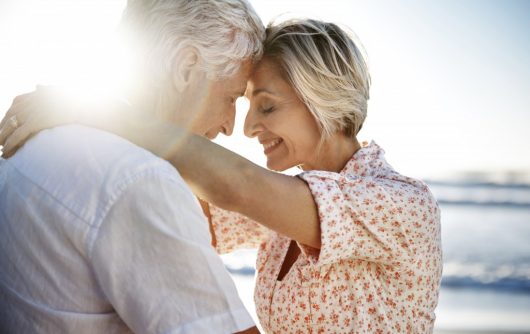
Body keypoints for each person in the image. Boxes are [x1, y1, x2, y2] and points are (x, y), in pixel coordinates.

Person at [1, 19, 443, 333]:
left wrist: (102, 112)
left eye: (266, 106)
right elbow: (174, 203)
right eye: (244, 103)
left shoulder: (401, 207)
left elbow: (237, 185)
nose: (247, 127)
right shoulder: (285, 207)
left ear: (324, 102)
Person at [0, 0, 265, 333]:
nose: (230, 126)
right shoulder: (142, 181)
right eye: (231, 97)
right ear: (186, 67)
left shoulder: (37, 139)